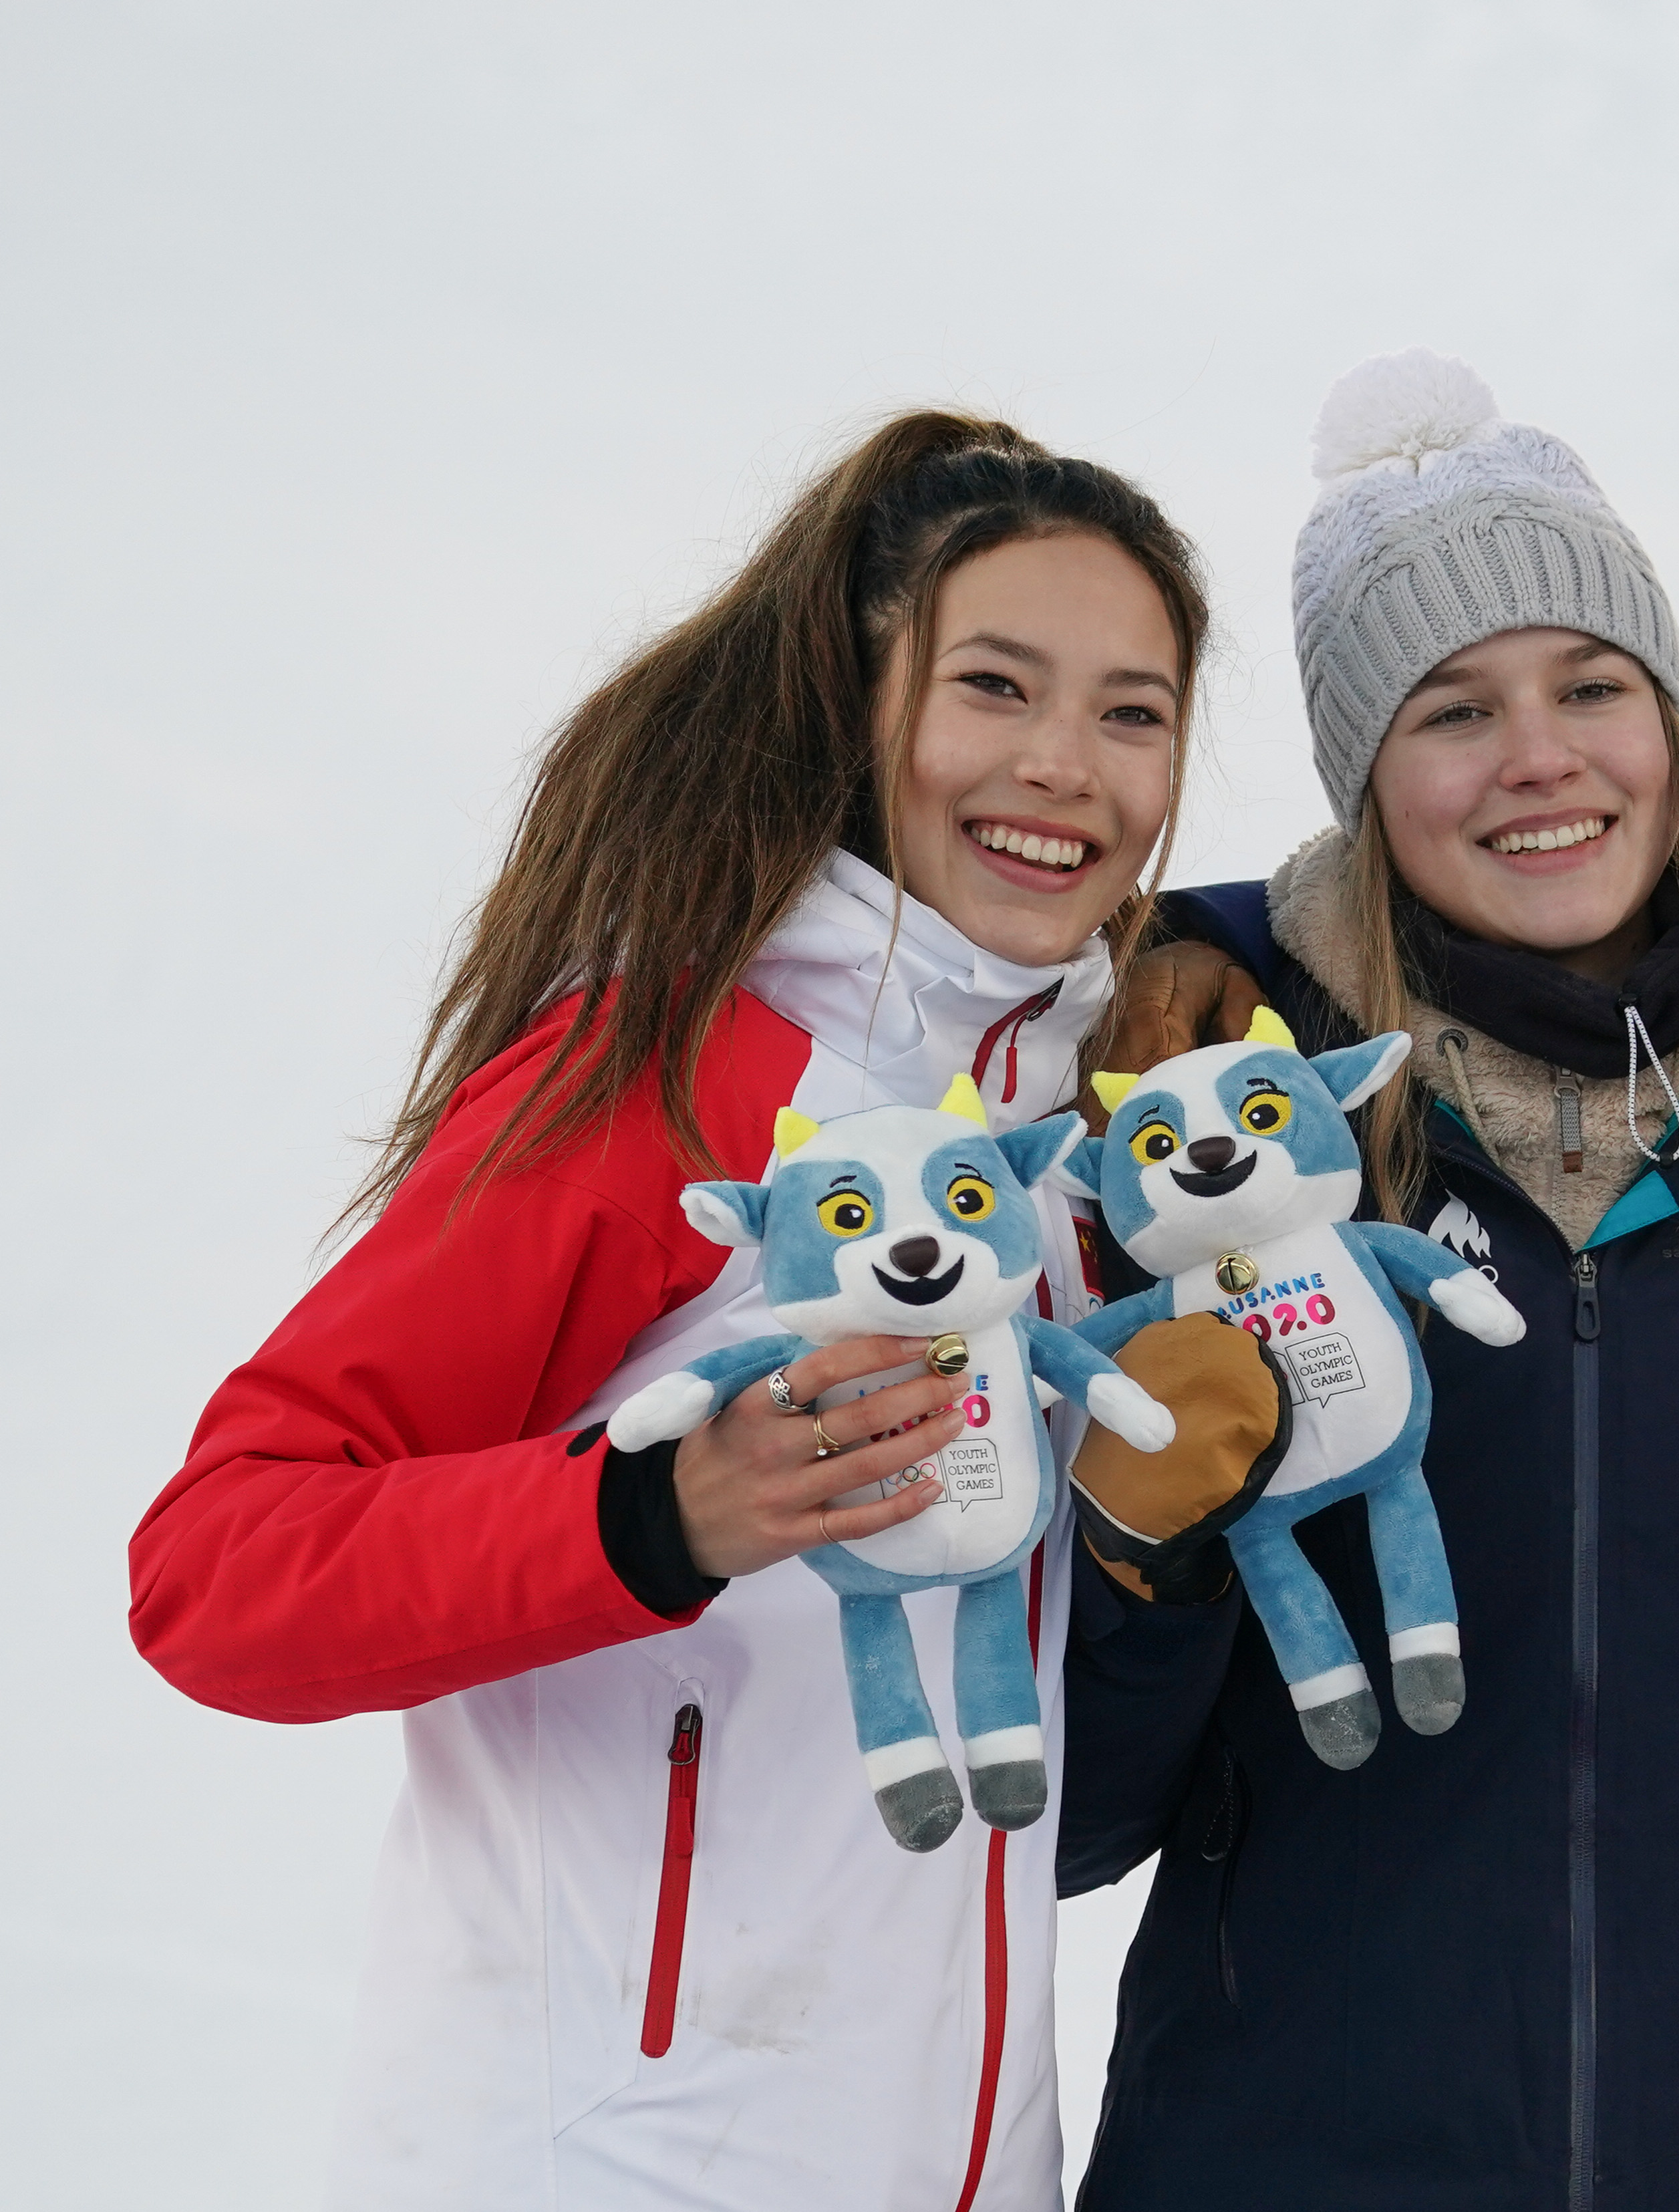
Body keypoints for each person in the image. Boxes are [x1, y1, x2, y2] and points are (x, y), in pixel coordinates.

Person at [129, 414, 1277, 2212]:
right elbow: (217, 1571)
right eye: (995, 687)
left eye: (1132, 712)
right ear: (855, 705)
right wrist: (652, 1512)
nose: (1066, 767)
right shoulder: (659, 1078)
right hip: (586, 2160)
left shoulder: (1072, 1166)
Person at [1061, 352, 1679, 2212]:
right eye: (1450, 711)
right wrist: (1141, 1549)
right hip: (1285, 2155)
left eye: (1593, 686)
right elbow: (1083, 1818)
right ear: (1364, 783)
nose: (1540, 758)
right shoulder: (1216, 1158)